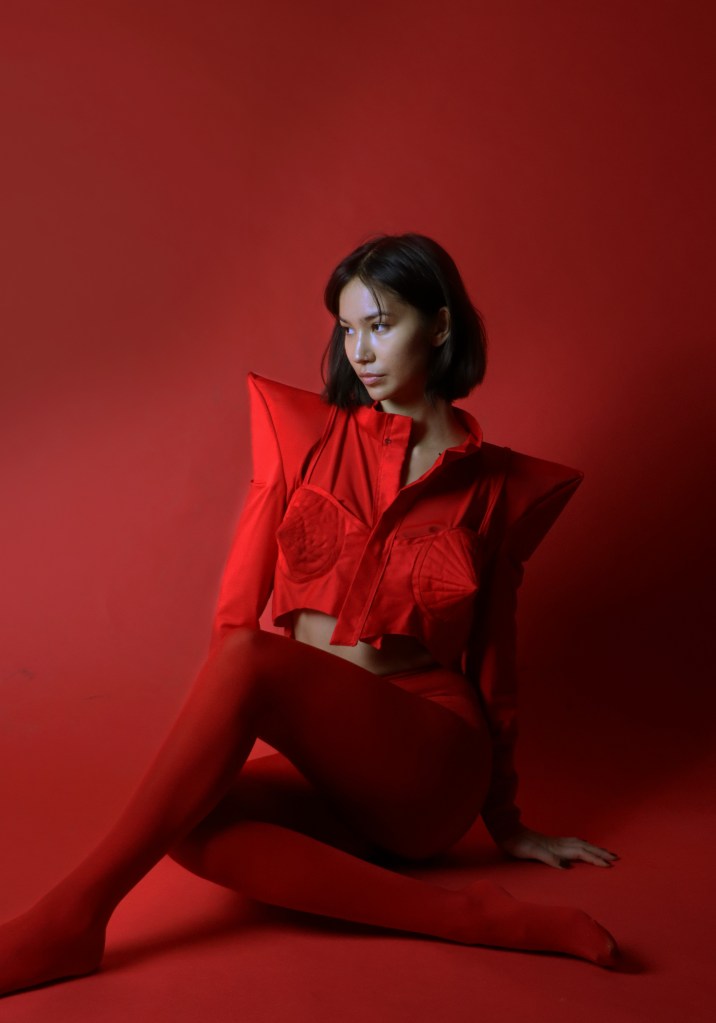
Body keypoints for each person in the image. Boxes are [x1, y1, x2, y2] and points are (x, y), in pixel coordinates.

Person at [0, 233, 619, 998]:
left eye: (381, 325)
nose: (360, 350)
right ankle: (471, 916)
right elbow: (235, 615)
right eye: (347, 328)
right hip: (333, 770)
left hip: (430, 759)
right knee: (189, 816)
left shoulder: (502, 487)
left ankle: (71, 917)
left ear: (440, 325)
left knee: (247, 659)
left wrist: (507, 819)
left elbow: (496, 660)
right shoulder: (298, 432)